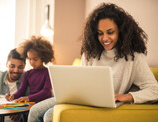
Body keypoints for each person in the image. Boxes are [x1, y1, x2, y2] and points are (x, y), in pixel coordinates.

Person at [27, 3, 158, 122]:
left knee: (49, 115)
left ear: (121, 31)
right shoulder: (90, 52)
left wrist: (126, 96)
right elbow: (82, 80)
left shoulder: (134, 57)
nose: (105, 38)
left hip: (103, 104)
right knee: (34, 111)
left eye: (110, 32)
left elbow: (154, 90)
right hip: (81, 99)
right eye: (100, 33)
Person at [5, 36, 54, 104]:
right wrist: (13, 96)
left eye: (35, 59)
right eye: (30, 59)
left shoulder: (48, 73)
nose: (32, 62)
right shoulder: (27, 74)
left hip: (45, 102)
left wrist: (28, 98)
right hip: (31, 103)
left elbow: (46, 91)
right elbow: (21, 91)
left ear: (43, 58)